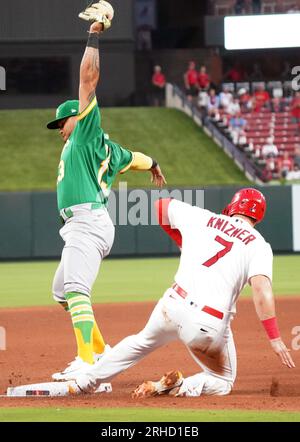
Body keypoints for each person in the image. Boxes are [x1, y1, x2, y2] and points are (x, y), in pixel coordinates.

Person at [46, 188, 294, 397]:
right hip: (207, 324)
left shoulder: (203, 217)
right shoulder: (258, 245)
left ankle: (84, 382)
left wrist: (182, 241)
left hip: (172, 304)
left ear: (233, 206)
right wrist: (274, 338)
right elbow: (261, 291)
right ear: (258, 217)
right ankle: (182, 386)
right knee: (223, 381)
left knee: (139, 342)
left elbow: (162, 206)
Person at [46, 5, 166, 383]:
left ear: (74, 118)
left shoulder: (83, 133)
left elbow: (88, 79)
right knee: (62, 293)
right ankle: (100, 350)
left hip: (86, 220)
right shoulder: (110, 151)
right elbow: (136, 158)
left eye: (61, 122)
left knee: (76, 288)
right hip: (88, 223)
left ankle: (87, 361)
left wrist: (94, 35)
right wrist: (155, 164)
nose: (59, 129)